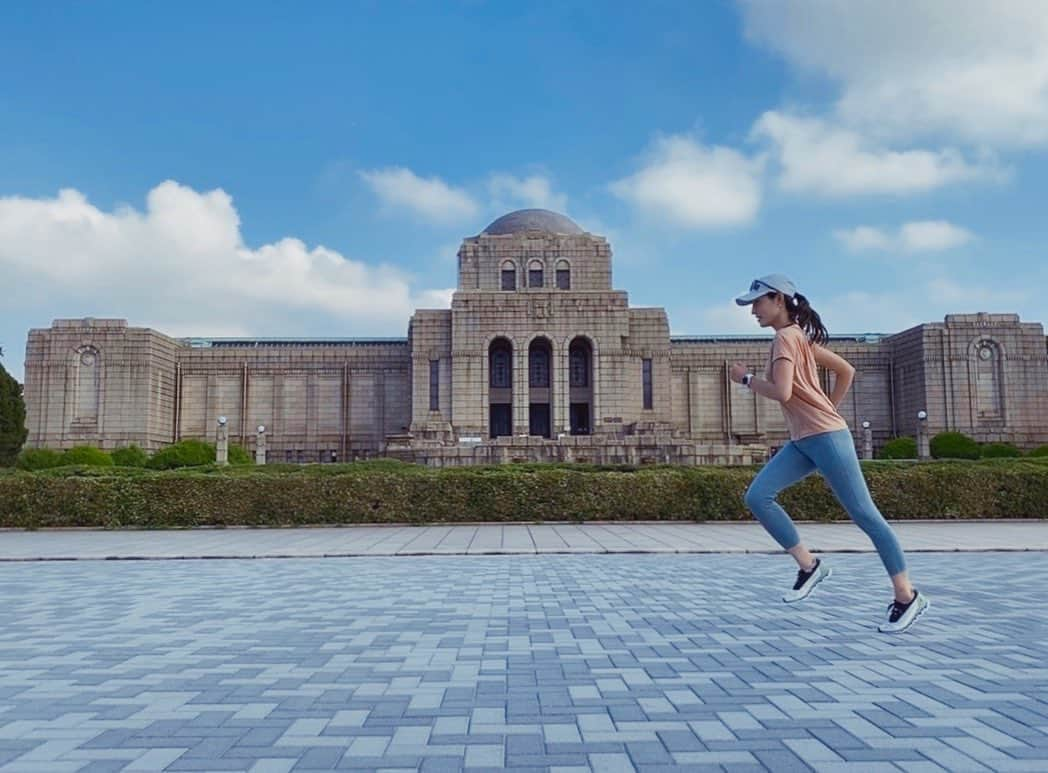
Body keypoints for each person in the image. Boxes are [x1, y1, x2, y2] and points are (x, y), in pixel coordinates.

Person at [731, 274, 929, 634]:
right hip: (806, 439)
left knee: (867, 517)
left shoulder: (785, 339)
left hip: (824, 437)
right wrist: (828, 408)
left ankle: (907, 596)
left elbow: (781, 391)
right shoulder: (801, 339)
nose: (753, 311)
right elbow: (846, 370)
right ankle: (809, 566)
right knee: (758, 496)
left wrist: (745, 379)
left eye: (757, 303)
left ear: (778, 299)